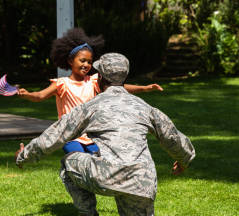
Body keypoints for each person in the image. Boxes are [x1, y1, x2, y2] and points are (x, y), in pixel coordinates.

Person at [15, 53, 195, 216]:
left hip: (108, 174)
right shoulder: (144, 107)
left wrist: (24, 155)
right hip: (142, 180)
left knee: (68, 162)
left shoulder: (91, 106)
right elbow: (174, 137)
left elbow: (55, 136)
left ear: (99, 78)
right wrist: (183, 161)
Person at [17, 28, 163, 155]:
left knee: (98, 161)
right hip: (71, 136)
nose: (86, 64)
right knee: (80, 160)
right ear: (70, 61)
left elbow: (119, 87)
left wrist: (145, 88)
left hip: (93, 135)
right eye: (82, 60)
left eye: (89, 61)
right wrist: (28, 94)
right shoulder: (62, 84)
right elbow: (40, 96)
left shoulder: (93, 81)